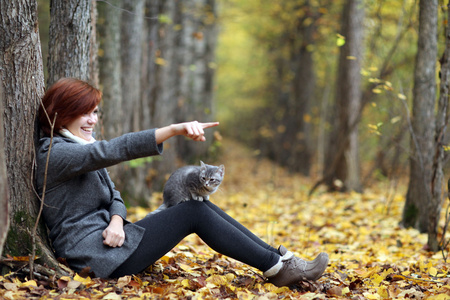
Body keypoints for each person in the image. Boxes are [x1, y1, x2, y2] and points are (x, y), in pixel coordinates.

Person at [36, 77, 329, 287]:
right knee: (193, 211)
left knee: (201, 205)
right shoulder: (57, 153)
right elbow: (115, 150)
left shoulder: (80, 147)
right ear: (60, 116)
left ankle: (282, 261)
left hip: (113, 241)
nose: (91, 120)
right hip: (95, 258)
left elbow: (114, 196)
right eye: (83, 113)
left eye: (95, 112)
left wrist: (115, 220)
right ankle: (279, 267)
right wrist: (174, 129)